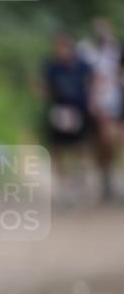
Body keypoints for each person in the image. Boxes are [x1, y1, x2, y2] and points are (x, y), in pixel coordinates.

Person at [41, 32, 94, 202]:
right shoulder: (52, 67)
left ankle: (82, 180)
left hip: (79, 111)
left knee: (80, 147)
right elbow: (45, 88)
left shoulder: (83, 66)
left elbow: (93, 83)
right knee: (57, 148)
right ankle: (63, 183)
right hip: (59, 112)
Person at [78, 18, 123, 200]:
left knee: (112, 140)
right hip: (92, 103)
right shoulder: (84, 50)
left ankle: (109, 177)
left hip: (114, 101)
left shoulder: (116, 48)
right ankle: (104, 178)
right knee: (98, 144)